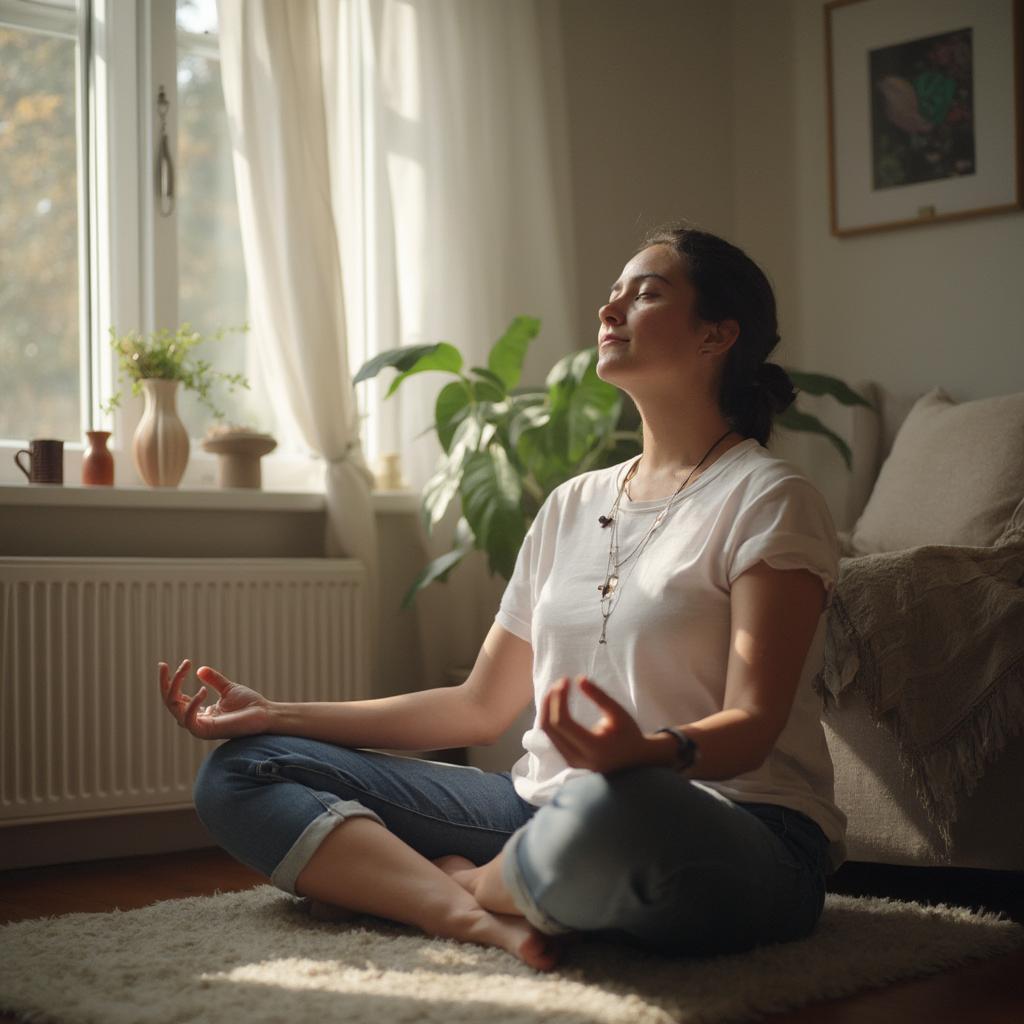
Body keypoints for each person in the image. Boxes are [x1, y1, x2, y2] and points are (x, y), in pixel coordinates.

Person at [162, 225, 845, 973]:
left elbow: (752, 725)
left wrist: (642, 755)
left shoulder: (769, 496)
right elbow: (478, 706)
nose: (611, 310)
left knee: (608, 809)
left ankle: (448, 881)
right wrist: (277, 714)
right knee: (242, 769)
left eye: (646, 294)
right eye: (612, 295)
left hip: (728, 822)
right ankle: (471, 911)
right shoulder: (572, 504)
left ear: (718, 335)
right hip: (539, 810)